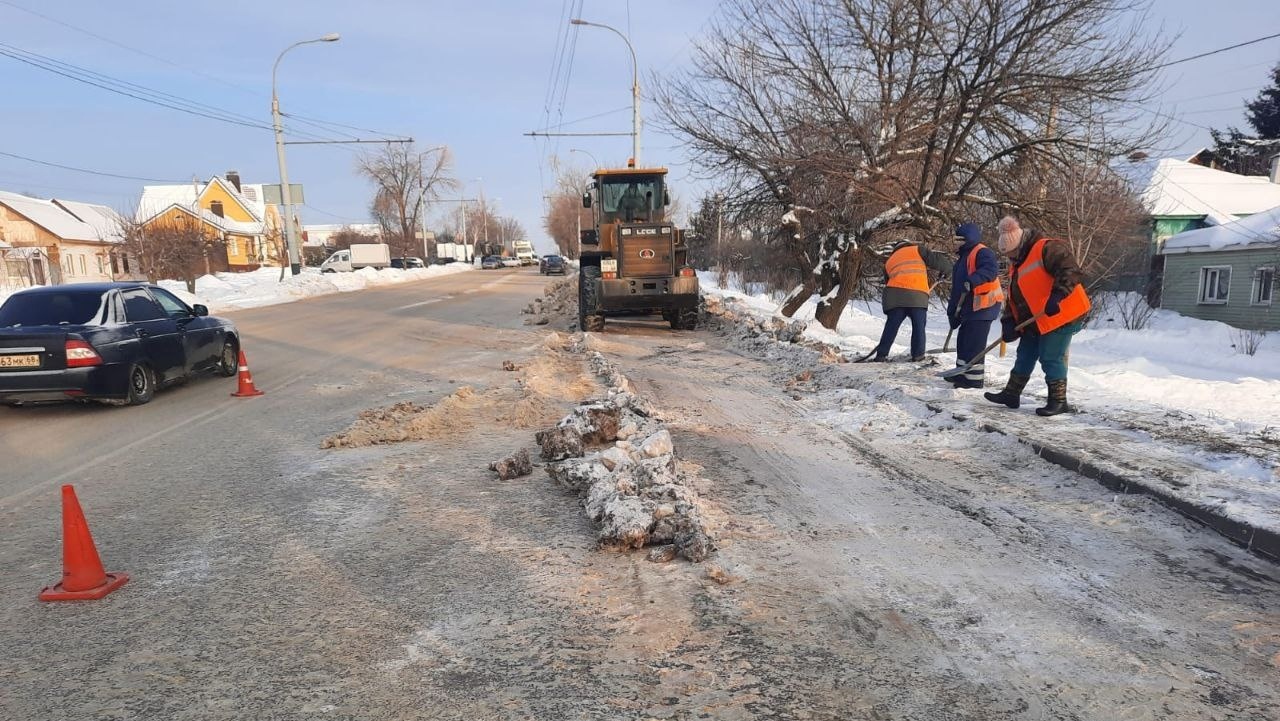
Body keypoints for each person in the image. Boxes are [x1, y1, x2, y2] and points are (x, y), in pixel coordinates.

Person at [984, 215, 1091, 416]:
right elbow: (1016, 297)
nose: (1010, 259)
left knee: (1051, 356)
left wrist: (1058, 295)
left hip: (1062, 313)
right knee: (1025, 353)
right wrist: (1009, 322)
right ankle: (1011, 393)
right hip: (1038, 318)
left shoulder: (1046, 248)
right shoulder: (1017, 263)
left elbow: (1071, 270)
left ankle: (1058, 401)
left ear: (1020, 245)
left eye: (1012, 254)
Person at [870, 239, 952, 362]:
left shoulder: (889, 261)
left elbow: (888, 281)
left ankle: (881, 354)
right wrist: (948, 271)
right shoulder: (917, 250)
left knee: (891, 326)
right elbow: (937, 261)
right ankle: (918, 355)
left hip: (895, 297)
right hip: (917, 296)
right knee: (918, 326)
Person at [946, 222, 1004, 388]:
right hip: (969, 308)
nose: (955, 243)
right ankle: (962, 374)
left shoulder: (982, 252)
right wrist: (952, 313)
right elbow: (958, 290)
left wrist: (972, 281)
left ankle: (973, 380)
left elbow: (990, 271)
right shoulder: (962, 259)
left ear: (966, 240)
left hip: (983, 306)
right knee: (963, 342)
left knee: (974, 344)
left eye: (958, 240)